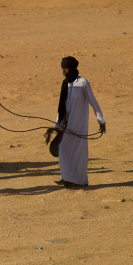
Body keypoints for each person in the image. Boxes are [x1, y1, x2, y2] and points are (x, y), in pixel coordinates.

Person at [55, 56, 106, 188]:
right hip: (67, 123)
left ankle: (80, 181)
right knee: (62, 148)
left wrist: (100, 120)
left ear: (72, 68)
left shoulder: (83, 82)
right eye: (62, 68)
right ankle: (66, 177)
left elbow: (93, 101)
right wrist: (57, 125)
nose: (64, 71)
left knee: (79, 152)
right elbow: (61, 106)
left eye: (66, 68)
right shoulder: (65, 83)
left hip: (79, 123)